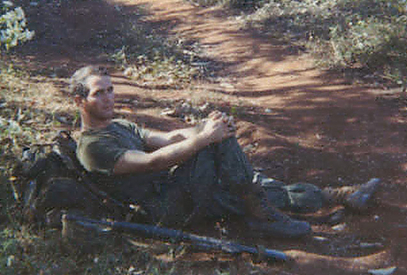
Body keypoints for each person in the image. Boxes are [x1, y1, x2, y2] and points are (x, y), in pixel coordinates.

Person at [70, 65, 380, 239]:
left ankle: (336, 195)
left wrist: (206, 126)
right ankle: (267, 216)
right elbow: (152, 161)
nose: (109, 98)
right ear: (79, 101)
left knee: (246, 187)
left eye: (111, 90)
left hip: (177, 190)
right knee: (224, 160)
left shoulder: (119, 124)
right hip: (163, 208)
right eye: (99, 93)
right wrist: (206, 139)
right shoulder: (93, 146)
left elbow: (167, 138)